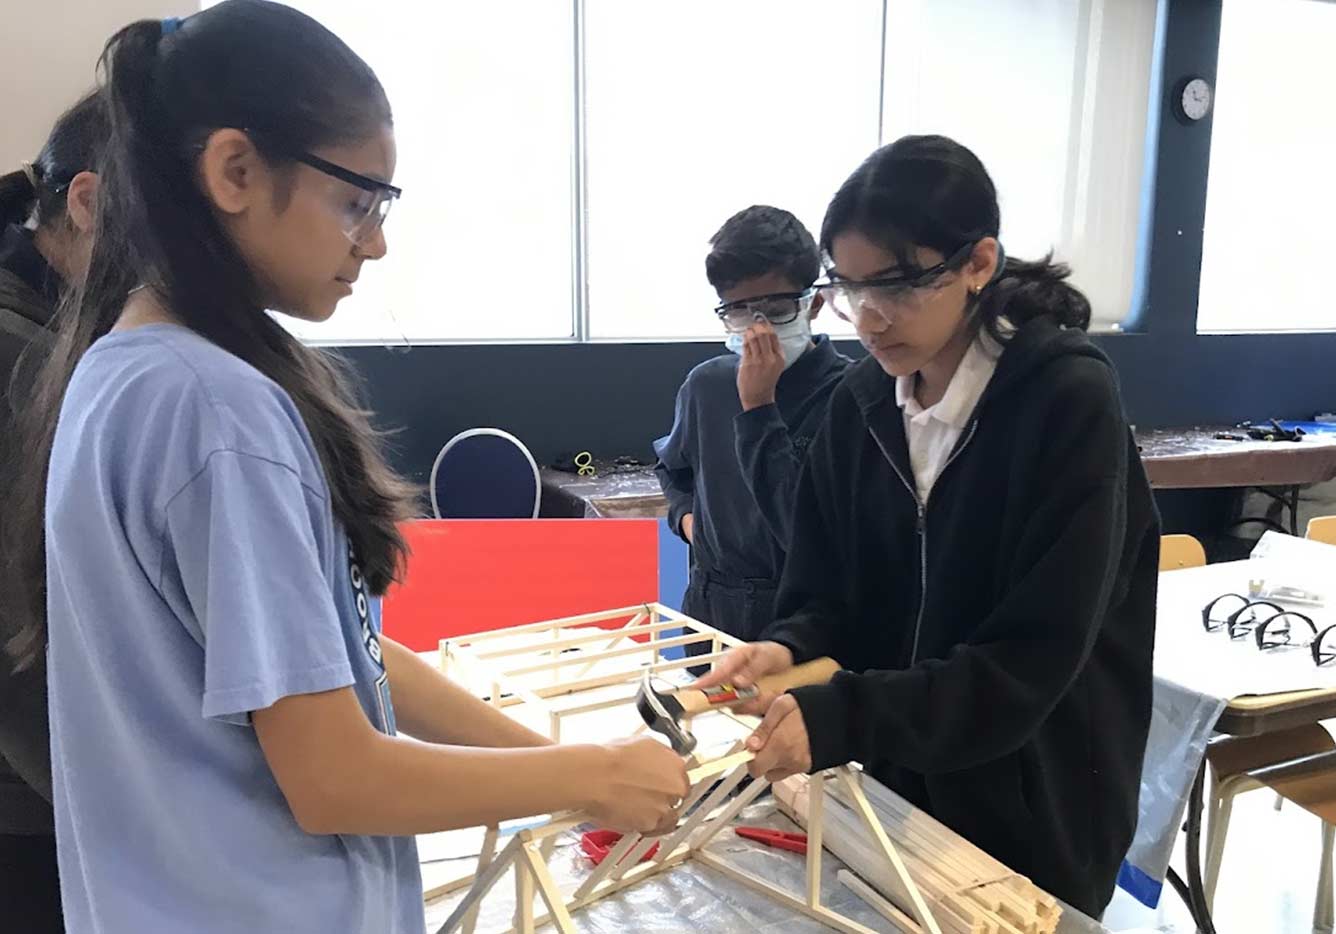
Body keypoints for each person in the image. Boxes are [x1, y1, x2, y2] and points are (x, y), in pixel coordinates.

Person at [0, 5, 688, 932]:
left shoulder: (120, 369)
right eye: (358, 201)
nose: (374, 243)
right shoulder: (213, 406)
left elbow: (341, 652)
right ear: (235, 170)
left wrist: (554, 764)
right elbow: (333, 777)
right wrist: (591, 775)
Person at [697, 135, 1159, 918]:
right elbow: (827, 590)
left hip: (1036, 806)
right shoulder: (862, 406)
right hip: (892, 788)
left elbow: (1028, 666)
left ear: (978, 263)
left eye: (899, 287)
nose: (870, 320)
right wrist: (788, 645)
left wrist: (839, 715)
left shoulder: (1064, 406)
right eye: (850, 288)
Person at [655, 206, 851, 656]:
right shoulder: (707, 385)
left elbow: (806, 534)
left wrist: (759, 407)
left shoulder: (848, 396)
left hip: (798, 620)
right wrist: (687, 521)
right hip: (710, 606)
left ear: (813, 304)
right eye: (741, 312)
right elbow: (673, 468)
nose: (759, 328)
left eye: (777, 309)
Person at [0, 90, 105, 934]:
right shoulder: (22, 364)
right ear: (86, 203)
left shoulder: (64, 342)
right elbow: (19, 641)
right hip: (30, 810)